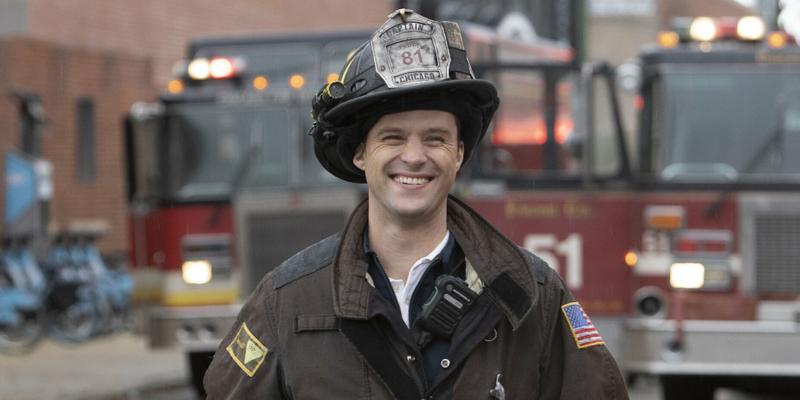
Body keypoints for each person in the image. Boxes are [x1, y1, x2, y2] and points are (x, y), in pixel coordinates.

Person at [204, 9, 628, 399]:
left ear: (459, 154)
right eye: (392, 137)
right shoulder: (289, 303)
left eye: (435, 138)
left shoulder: (530, 295)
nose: (414, 156)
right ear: (359, 153)